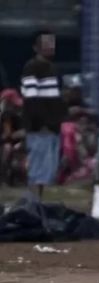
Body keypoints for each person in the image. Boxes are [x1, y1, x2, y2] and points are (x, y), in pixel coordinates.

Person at [20, 30, 66, 199]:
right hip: (40, 126)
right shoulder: (32, 67)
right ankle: (32, 203)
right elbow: (31, 99)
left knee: (47, 168)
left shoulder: (54, 68)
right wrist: (41, 123)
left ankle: (37, 202)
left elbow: (57, 97)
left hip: (53, 125)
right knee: (38, 167)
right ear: (36, 48)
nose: (50, 47)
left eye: (52, 44)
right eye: (46, 44)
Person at [0, 89, 26, 185]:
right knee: (7, 149)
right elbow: (8, 134)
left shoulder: (11, 114)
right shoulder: (6, 114)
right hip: (9, 143)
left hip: (14, 143)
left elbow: (8, 134)